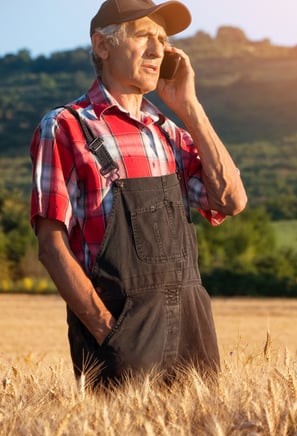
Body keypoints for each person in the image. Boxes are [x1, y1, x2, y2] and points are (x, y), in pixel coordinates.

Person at [29, 0, 247, 387]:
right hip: (121, 338)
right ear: (103, 46)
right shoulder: (66, 127)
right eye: (144, 36)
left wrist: (191, 109)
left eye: (162, 40)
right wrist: (109, 334)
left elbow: (231, 201)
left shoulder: (169, 132)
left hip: (192, 334)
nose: (158, 49)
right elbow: (51, 246)